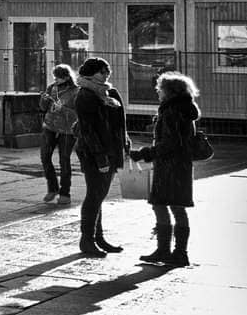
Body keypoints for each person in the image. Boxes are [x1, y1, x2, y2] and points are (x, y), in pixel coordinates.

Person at [131, 71, 202, 269]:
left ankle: (166, 250)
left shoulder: (171, 111)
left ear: (169, 91)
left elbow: (170, 142)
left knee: (160, 204)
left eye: (160, 89)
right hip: (182, 165)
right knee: (177, 206)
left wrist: (145, 153)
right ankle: (178, 252)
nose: (158, 92)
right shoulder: (186, 108)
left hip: (168, 165)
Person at [72, 56, 130, 257]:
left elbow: (119, 122)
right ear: (89, 73)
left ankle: (99, 238)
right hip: (95, 153)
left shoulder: (109, 92)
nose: (106, 74)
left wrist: (125, 140)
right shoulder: (85, 95)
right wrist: (100, 158)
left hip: (112, 149)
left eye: (108, 70)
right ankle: (86, 240)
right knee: (94, 195)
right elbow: (88, 131)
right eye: (101, 71)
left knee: (100, 195)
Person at [38, 63, 79, 204]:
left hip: (67, 130)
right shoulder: (51, 88)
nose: (55, 80)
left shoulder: (76, 92)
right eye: (54, 77)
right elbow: (43, 108)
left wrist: (62, 109)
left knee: (64, 160)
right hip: (50, 126)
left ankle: (65, 193)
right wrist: (43, 100)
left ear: (67, 77)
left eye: (59, 78)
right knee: (45, 157)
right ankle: (52, 188)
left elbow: (76, 116)